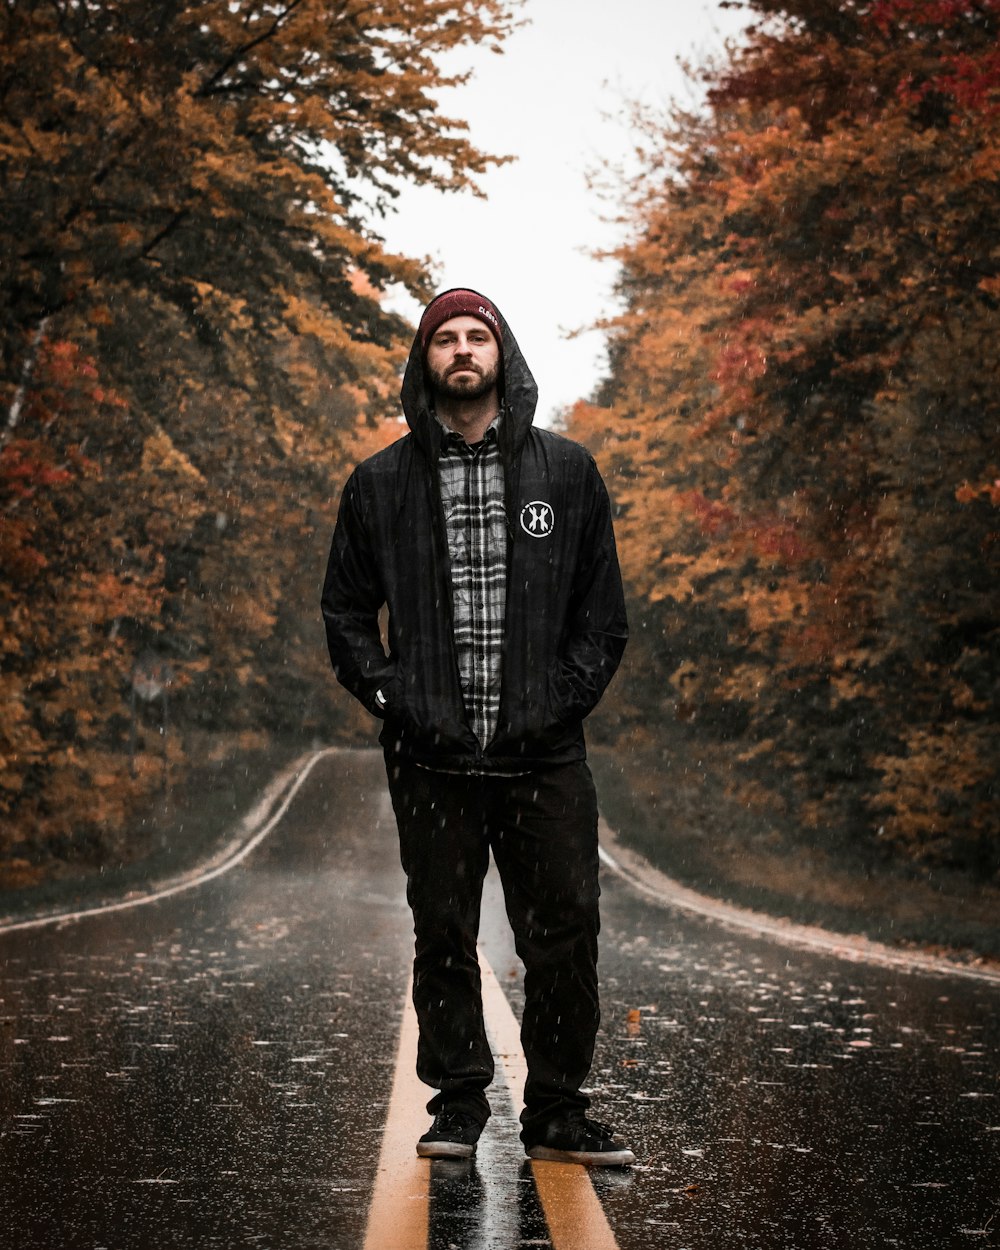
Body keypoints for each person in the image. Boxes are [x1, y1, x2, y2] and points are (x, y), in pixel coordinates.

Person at [321, 288, 633, 1166]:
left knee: (566, 931)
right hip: (433, 760)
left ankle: (558, 1113)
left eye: (477, 337)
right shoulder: (380, 484)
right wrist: (396, 699)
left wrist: (558, 702)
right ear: (425, 362)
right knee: (444, 932)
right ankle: (458, 1103)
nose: (463, 350)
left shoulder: (565, 474)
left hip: (546, 757)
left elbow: (601, 620)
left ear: (503, 355)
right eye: (446, 339)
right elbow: (346, 616)